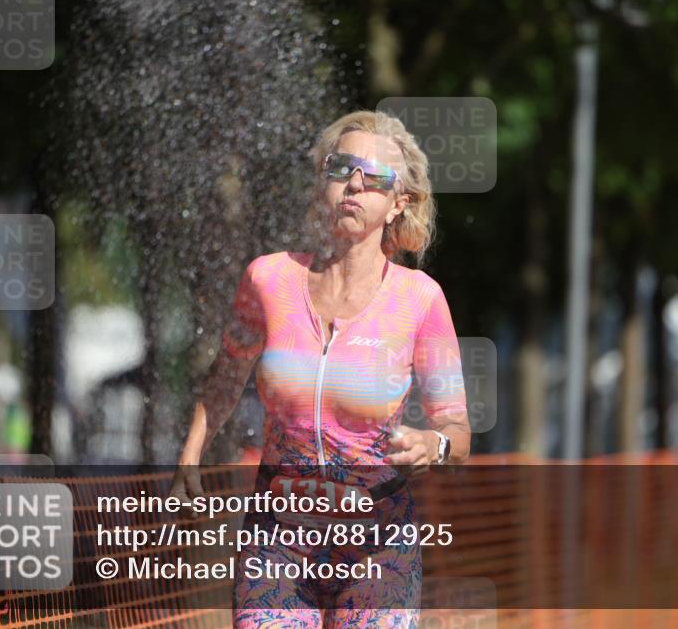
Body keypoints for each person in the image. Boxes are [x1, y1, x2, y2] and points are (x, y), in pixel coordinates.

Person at [170, 110, 471, 628]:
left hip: (379, 544)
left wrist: (435, 445)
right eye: (342, 168)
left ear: (399, 203)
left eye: (375, 178)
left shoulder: (421, 300)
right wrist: (189, 457)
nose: (355, 184)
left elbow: (458, 431)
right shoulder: (268, 280)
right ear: (323, 182)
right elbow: (226, 373)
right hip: (277, 537)